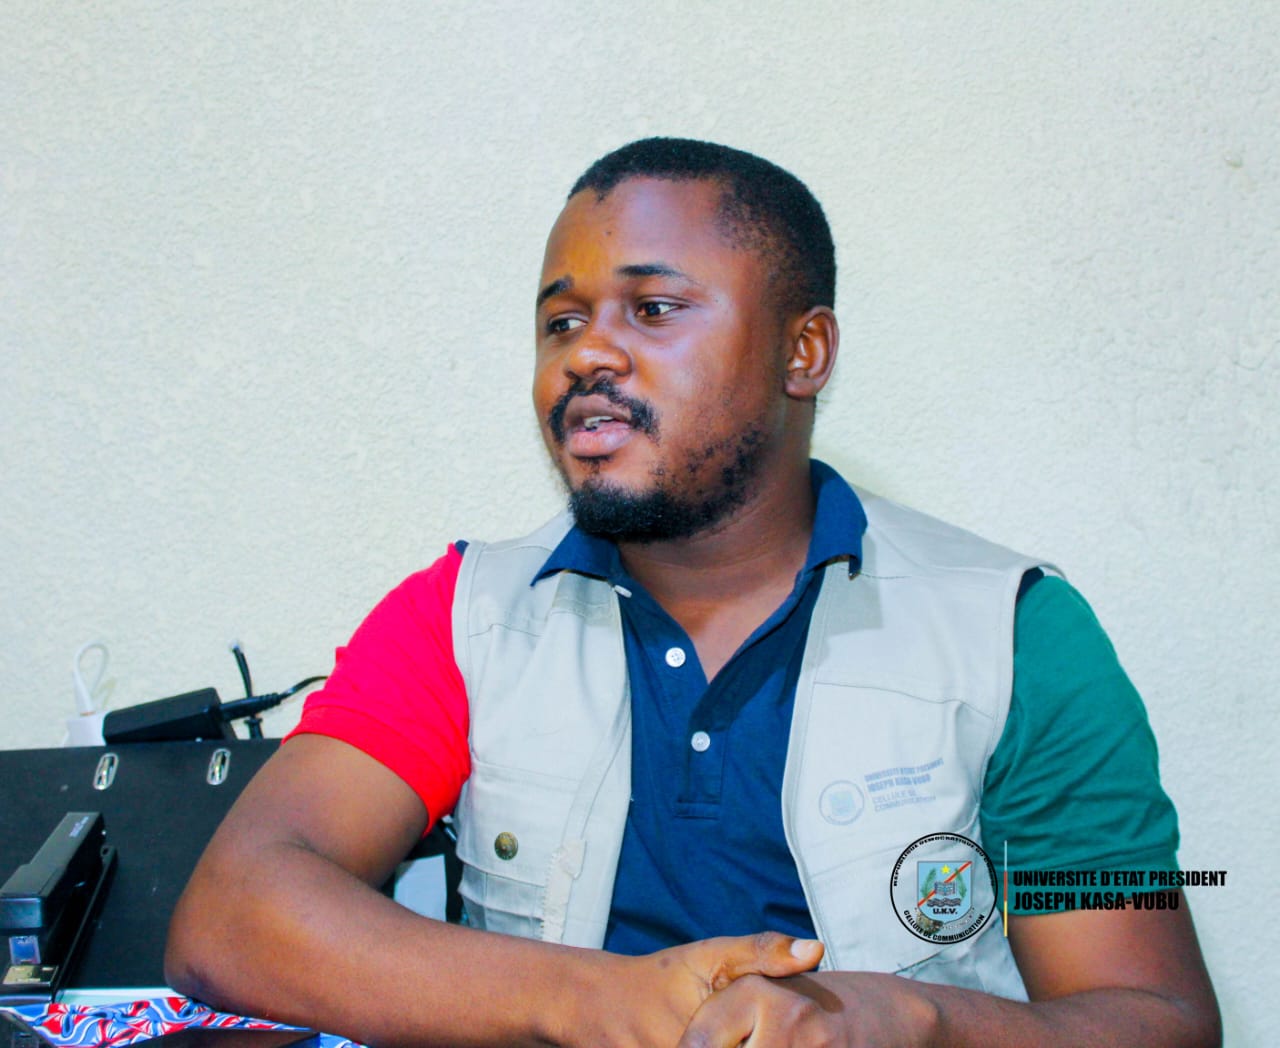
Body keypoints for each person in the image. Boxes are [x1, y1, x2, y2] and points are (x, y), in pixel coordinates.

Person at [166, 138, 1220, 1046]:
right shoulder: (464, 617)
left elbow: (1155, 1016)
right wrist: (604, 1003)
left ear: (802, 351)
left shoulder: (1014, 635)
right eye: (559, 322)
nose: (588, 354)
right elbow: (233, 913)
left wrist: (911, 1020)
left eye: (653, 308)